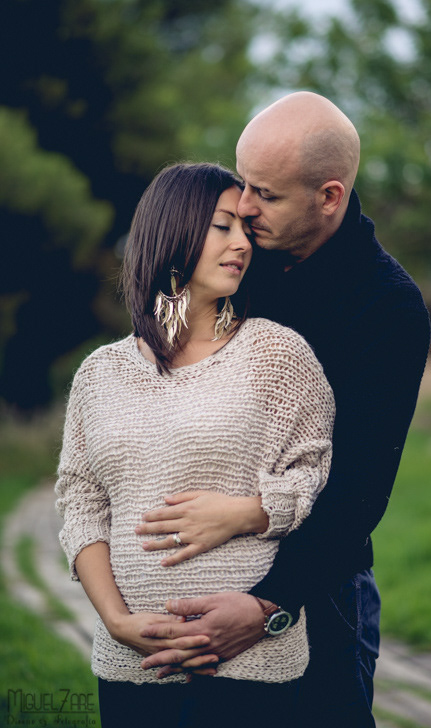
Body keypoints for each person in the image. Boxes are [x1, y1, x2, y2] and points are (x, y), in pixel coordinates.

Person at [136, 93, 431, 727]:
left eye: (265, 195)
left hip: (315, 591)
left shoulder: (388, 310)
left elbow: (357, 490)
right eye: (242, 183)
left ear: (329, 197)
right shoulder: (239, 257)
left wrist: (269, 603)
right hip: (188, 574)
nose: (243, 207)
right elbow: (157, 352)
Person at [55, 162, 335, 728]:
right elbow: (81, 504)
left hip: (251, 665)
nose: (241, 245)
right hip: (135, 663)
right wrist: (115, 619)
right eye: (222, 227)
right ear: (174, 233)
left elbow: (316, 479)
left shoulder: (277, 355)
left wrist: (249, 514)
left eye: (246, 231)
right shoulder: (100, 373)